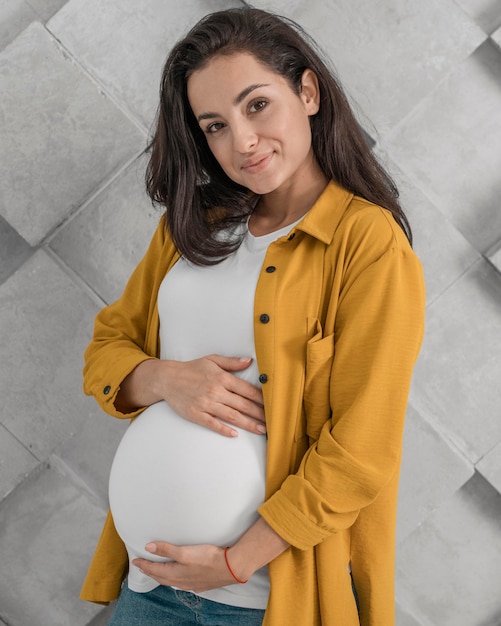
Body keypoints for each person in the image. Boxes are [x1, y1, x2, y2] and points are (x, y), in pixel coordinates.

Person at [80, 7, 425, 626]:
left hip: (261, 603)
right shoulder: (192, 227)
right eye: (214, 125)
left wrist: (236, 562)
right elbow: (108, 348)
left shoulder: (367, 244)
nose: (240, 141)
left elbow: (359, 452)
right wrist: (166, 379)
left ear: (308, 91)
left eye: (256, 105)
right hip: (148, 587)